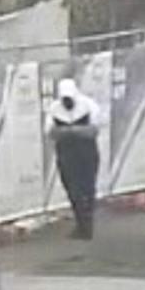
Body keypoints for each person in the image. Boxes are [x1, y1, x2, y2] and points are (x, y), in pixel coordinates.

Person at [48, 78, 102, 240]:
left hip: (86, 151)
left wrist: (68, 132)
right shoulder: (54, 109)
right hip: (66, 153)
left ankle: (88, 224)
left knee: (87, 187)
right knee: (72, 189)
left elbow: (93, 130)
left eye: (69, 100)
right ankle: (81, 223)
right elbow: (51, 133)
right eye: (64, 101)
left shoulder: (88, 105)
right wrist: (76, 131)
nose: (67, 104)